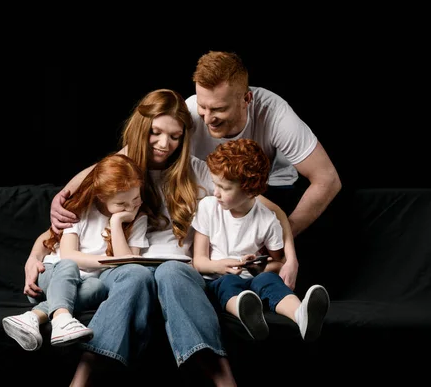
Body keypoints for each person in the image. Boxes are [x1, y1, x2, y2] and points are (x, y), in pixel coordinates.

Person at [36, 89, 295, 386]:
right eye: (155, 133)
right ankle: (83, 377)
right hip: (128, 271)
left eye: (175, 136)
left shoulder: (197, 172)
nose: (164, 144)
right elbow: (72, 215)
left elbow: (265, 207)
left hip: (180, 271)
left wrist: (290, 253)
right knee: (134, 275)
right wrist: (36, 252)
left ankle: (223, 379)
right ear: (141, 129)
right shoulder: (121, 171)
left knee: (172, 271)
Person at [186, 50, 342, 238]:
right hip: (209, 194)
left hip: (270, 189)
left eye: (219, 109)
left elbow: (327, 179)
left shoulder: (275, 113)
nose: (208, 118)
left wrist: (284, 235)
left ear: (246, 99)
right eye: (202, 106)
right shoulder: (189, 114)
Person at [3, 153, 149, 351]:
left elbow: (128, 263)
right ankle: (62, 318)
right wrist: (110, 260)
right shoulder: (81, 211)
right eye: (121, 204)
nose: (131, 207)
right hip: (52, 275)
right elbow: (69, 255)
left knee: (98, 288)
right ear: (101, 196)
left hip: (82, 285)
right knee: (69, 266)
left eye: (136, 198)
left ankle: (32, 317)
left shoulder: (138, 219)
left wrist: (116, 222)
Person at [192, 138, 330, 342]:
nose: (216, 192)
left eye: (225, 188)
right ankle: (246, 313)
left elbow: (277, 263)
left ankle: (301, 315)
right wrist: (221, 266)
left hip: (252, 277)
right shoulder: (208, 208)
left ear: (249, 190)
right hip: (219, 278)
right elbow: (199, 261)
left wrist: (258, 267)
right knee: (228, 283)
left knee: (268, 280)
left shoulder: (267, 220)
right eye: (215, 184)